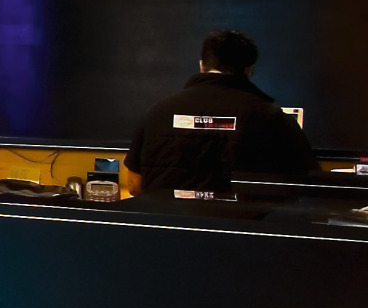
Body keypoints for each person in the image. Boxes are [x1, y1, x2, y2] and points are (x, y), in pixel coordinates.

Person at [121, 30, 317, 199]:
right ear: (250, 71)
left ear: (202, 66)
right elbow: (308, 187)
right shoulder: (274, 119)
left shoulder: (157, 113)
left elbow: (135, 185)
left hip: (166, 234)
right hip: (242, 237)